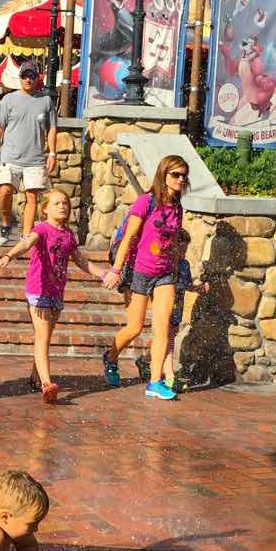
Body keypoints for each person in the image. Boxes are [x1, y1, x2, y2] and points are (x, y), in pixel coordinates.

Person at [0, 189, 109, 403]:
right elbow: (27, 243)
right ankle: (47, 383)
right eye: (56, 203)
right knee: (43, 336)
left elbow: (80, 261)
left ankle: (35, 377)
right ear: (45, 208)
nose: (63, 206)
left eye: (65, 202)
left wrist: (102, 273)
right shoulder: (42, 229)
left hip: (56, 291)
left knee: (43, 337)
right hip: (38, 289)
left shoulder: (68, 235)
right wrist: (7, 256)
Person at [102, 155, 190, 401]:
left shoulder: (177, 208)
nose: (180, 179)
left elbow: (172, 243)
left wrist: (173, 268)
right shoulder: (145, 202)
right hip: (139, 271)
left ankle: (154, 382)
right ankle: (110, 357)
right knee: (135, 328)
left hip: (164, 275)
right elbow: (130, 237)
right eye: (175, 174)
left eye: (183, 175)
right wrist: (116, 270)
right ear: (163, 174)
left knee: (162, 328)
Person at [0, 59, 57, 247]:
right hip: (10, 157)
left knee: (32, 197)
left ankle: (25, 236)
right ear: (20, 77)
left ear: (38, 78)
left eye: (32, 76)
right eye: (25, 75)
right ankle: (6, 223)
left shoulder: (46, 101)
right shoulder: (9, 100)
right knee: (4, 192)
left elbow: (51, 129)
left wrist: (52, 153)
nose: (28, 79)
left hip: (35, 159)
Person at [134, 228, 209, 392]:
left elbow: (186, 284)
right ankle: (169, 377)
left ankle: (145, 360)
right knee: (166, 340)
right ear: (173, 245)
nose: (183, 251)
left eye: (185, 248)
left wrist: (198, 288)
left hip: (178, 307)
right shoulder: (164, 265)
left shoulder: (184, 264)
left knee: (169, 339)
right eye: (181, 247)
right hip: (165, 305)